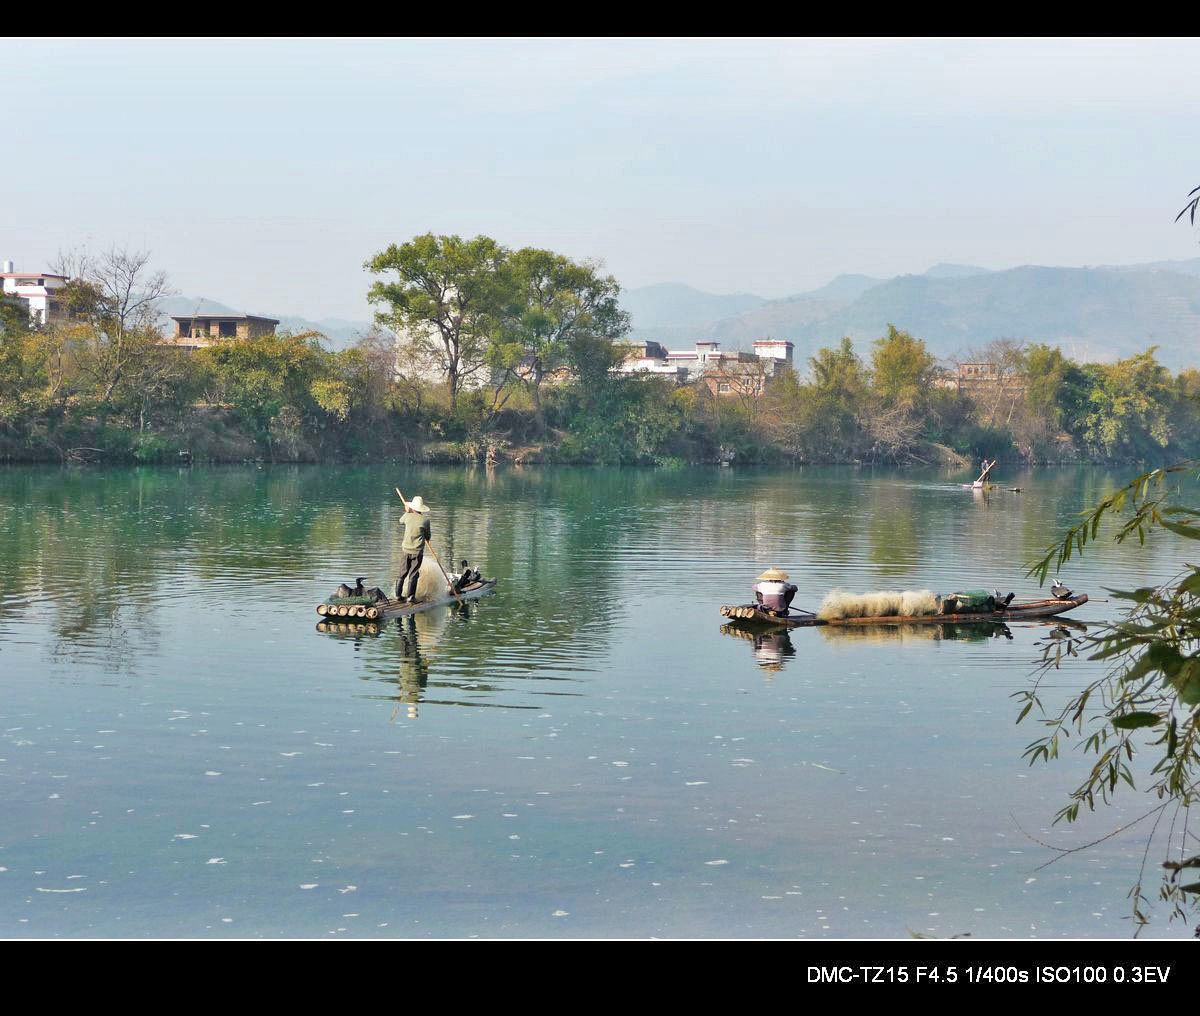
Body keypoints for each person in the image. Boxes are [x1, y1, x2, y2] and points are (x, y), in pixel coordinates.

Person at [395, 495, 431, 603]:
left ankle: (397, 595)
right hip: (417, 551)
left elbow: (400, 520)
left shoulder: (407, 516)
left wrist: (407, 511)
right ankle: (410, 597)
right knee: (413, 574)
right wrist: (427, 538)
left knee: (402, 572)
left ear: (413, 507)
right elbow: (428, 536)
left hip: (405, 550)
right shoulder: (425, 520)